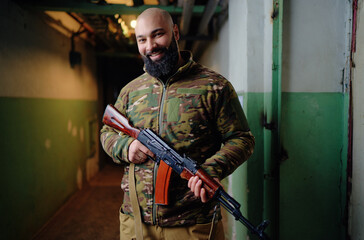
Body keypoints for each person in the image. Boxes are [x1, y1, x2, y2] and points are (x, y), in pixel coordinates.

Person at [100, 7, 255, 240]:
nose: (150, 46)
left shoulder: (214, 86)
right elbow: (107, 132)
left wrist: (212, 170)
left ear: (175, 32)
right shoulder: (131, 91)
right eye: (142, 39)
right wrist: (126, 147)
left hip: (193, 224)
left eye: (158, 34)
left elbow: (242, 139)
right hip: (136, 223)